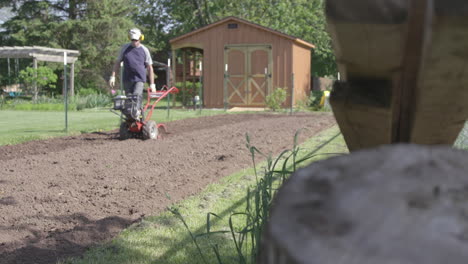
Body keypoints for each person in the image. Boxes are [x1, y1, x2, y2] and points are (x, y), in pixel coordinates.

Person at [109, 28, 155, 119]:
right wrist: (113, 76)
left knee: (136, 96)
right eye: (132, 40)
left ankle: (137, 115)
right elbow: (117, 62)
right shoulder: (125, 48)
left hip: (139, 78)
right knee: (128, 100)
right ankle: (131, 121)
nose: (134, 42)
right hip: (127, 78)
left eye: (136, 40)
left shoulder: (144, 50)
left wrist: (152, 84)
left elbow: (150, 67)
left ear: (141, 38)